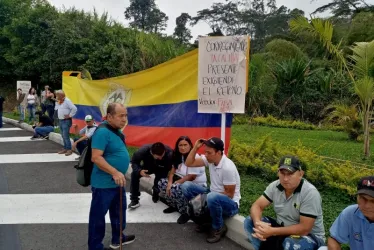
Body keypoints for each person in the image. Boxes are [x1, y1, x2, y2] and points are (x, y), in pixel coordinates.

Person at [244, 155, 326, 250]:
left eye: (290, 174)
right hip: (282, 229)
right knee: (250, 221)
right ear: (278, 172)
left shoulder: (310, 193)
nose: (285, 179)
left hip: (309, 237)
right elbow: (257, 206)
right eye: (282, 173)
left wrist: (272, 231)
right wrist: (258, 223)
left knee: (292, 244)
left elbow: (304, 229)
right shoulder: (275, 186)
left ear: (301, 174)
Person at [89, 103, 135, 250]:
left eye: (126, 115)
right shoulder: (102, 132)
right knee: (98, 218)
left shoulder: (117, 132)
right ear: (109, 116)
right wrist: (115, 172)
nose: (124, 119)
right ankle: (95, 247)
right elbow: (96, 157)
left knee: (119, 213)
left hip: (117, 182)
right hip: (104, 184)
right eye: (121, 115)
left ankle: (118, 238)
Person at [181, 137, 241, 243]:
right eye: (205, 152)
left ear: (218, 152)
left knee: (211, 197)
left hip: (230, 205)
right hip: (212, 195)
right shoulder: (210, 160)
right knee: (186, 186)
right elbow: (189, 163)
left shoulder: (227, 167)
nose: (206, 155)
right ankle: (205, 219)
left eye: (209, 153)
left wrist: (204, 200)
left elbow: (229, 194)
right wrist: (195, 148)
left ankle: (219, 227)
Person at [157, 136, 207, 224]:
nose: (183, 147)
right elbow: (172, 172)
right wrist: (169, 183)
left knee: (176, 187)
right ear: (177, 146)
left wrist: (175, 183)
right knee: (162, 183)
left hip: (195, 186)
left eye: (185, 145)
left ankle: (186, 212)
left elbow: (192, 177)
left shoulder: (195, 156)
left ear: (190, 146)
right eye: (180, 145)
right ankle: (174, 205)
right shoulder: (178, 156)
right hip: (183, 182)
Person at [319, 176, 374, 250]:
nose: (367, 206)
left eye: (373, 201)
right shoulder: (350, 213)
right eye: (363, 198)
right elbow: (334, 239)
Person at [128, 142, 173, 209]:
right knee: (134, 174)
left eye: (162, 156)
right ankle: (134, 200)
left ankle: (155, 193)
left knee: (159, 182)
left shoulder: (170, 153)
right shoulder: (143, 151)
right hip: (148, 167)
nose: (160, 158)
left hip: (162, 168)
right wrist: (139, 171)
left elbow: (171, 168)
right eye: (158, 157)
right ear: (151, 153)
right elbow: (134, 162)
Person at [55, 90, 77, 156]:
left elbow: (74, 108)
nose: (56, 97)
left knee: (65, 136)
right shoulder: (60, 101)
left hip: (66, 121)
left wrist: (69, 115)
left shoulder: (67, 101)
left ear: (61, 95)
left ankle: (69, 149)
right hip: (61, 120)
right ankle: (65, 148)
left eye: (57, 95)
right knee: (63, 135)